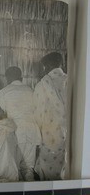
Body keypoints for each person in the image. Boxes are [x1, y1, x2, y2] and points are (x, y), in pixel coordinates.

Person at [0, 66, 41, 181]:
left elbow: (4, 112)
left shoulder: (3, 92)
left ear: (7, 78)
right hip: (31, 131)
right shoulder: (31, 90)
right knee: (28, 169)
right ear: (20, 77)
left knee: (14, 169)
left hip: (16, 133)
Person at [34, 52, 67, 180]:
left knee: (48, 169)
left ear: (47, 66)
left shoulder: (42, 84)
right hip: (69, 134)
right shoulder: (72, 81)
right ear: (61, 64)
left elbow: (38, 113)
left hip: (49, 134)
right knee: (65, 165)